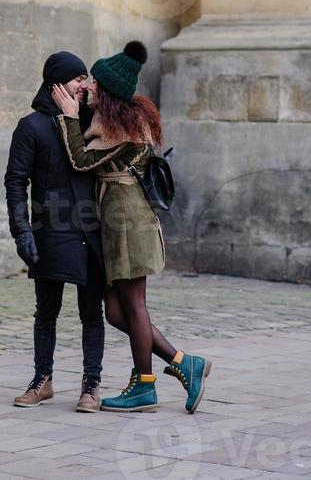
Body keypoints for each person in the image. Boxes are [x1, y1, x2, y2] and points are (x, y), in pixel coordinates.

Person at [52, 40, 212, 414]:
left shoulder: (121, 129)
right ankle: (184, 363)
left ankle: (144, 386)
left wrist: (69, 114)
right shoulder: (115, 120)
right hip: (117, 220)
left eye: (94, 83)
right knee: (116, 312)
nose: (88, 86)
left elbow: (79, 159)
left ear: (107, 94)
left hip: (128, 222)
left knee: (134, 307)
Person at [4, 51, 105, 412]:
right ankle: (41, 380)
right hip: (50, 231)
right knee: (46, 311)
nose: (84, 85)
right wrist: (22, 232)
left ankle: (90, 386)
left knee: (92, 313)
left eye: (85, 78)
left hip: (92, 232)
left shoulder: (93, 123)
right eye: (78, 78)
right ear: (57, 84)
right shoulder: (31, 126)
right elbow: (15, 181)